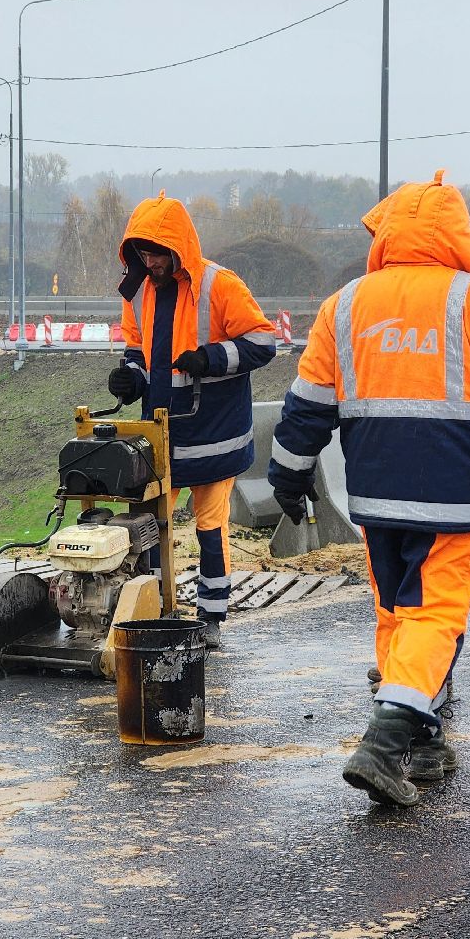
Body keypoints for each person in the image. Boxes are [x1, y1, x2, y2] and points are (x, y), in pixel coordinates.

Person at [268, 170, 470, 806]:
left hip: (375, 497)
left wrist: (288, 475)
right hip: (454, 493)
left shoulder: (345, 304)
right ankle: (385, 744)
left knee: (397, 616)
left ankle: (423, 737)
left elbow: (305, 408)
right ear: (456, 234)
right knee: (436, 617)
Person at [108, 192, 278, 648]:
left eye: (159, 252)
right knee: (149, 523)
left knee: (209, 527)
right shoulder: (139, 287)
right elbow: (137, 346)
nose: (151, 261)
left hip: (215, 435)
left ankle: (212, 620)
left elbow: (264, 342)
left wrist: (209, 358)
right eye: (143, 253)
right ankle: (155, 610)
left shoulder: (219, 285)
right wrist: (130, 377)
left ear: (179, 248)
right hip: (160, 434)